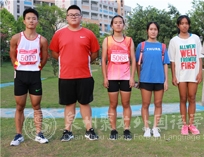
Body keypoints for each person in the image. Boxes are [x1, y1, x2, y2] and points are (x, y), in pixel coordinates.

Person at [49, 5, 99, 141]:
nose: (74, 16)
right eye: (71, 14)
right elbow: (54, 52)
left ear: (81, 17)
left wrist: (84, 61)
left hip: (85, 75)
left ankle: (89, 130)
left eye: (76, 14)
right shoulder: (59, 34)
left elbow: (94, 53)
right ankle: (67, 131)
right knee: (69, 104)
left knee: (84, 103)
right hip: (66, 76)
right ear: (66, 17)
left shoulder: (89, 34)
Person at [9, 8, 49, 146]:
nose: (31, 20)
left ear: (37, 21)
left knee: (36, 106)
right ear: (24, 21)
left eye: (34, 18)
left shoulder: (42, 40)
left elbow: (45, 57)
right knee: (20, 106)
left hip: (34, 76)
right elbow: (12, 53)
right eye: (28, 18)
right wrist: (16, 65)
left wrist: (39, 67)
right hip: (20, 75)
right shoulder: (16, 37)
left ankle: (39, 133)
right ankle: (18, 135)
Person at [101, 15, 136, 140]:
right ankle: (113, 130)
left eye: (120, 22)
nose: (118, 25)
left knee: (126, 103)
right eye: (115, 23)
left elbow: (133, 59)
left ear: (123, 25)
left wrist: (132, 77)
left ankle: (127, 129)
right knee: (113, 104)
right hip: (112, 76)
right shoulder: (107, 40)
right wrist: (105, 78)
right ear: (112, 25)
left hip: (126, 76)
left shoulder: (129, 40)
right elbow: (104, 60)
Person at [168, 15, 203, 135]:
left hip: (193, 73)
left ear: (189, 25)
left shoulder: (196, 39)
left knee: (192, 98)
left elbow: (200, 56)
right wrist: (173, 76)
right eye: (182, 23)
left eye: (186, 23)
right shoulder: (174, 41)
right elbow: (172, 61)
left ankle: (191, 124)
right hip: (181, 74)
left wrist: (200, 72)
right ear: (178, 25)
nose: (184, 25)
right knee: (183, 98)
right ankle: (184, 125)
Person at [135, 22, 170, 137]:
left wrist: (166, 80)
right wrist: (139, 78)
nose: (153, 31)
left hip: (159, 80)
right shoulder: (142, 46)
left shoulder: (163, 47)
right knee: (145, 104)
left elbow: (165, 64)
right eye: (151, 29)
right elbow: (138, 64)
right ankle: (146, 128)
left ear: (158, 31)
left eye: (155, 29)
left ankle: (155, 128)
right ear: (147, 31)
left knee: (158, 103)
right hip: (145, 80)